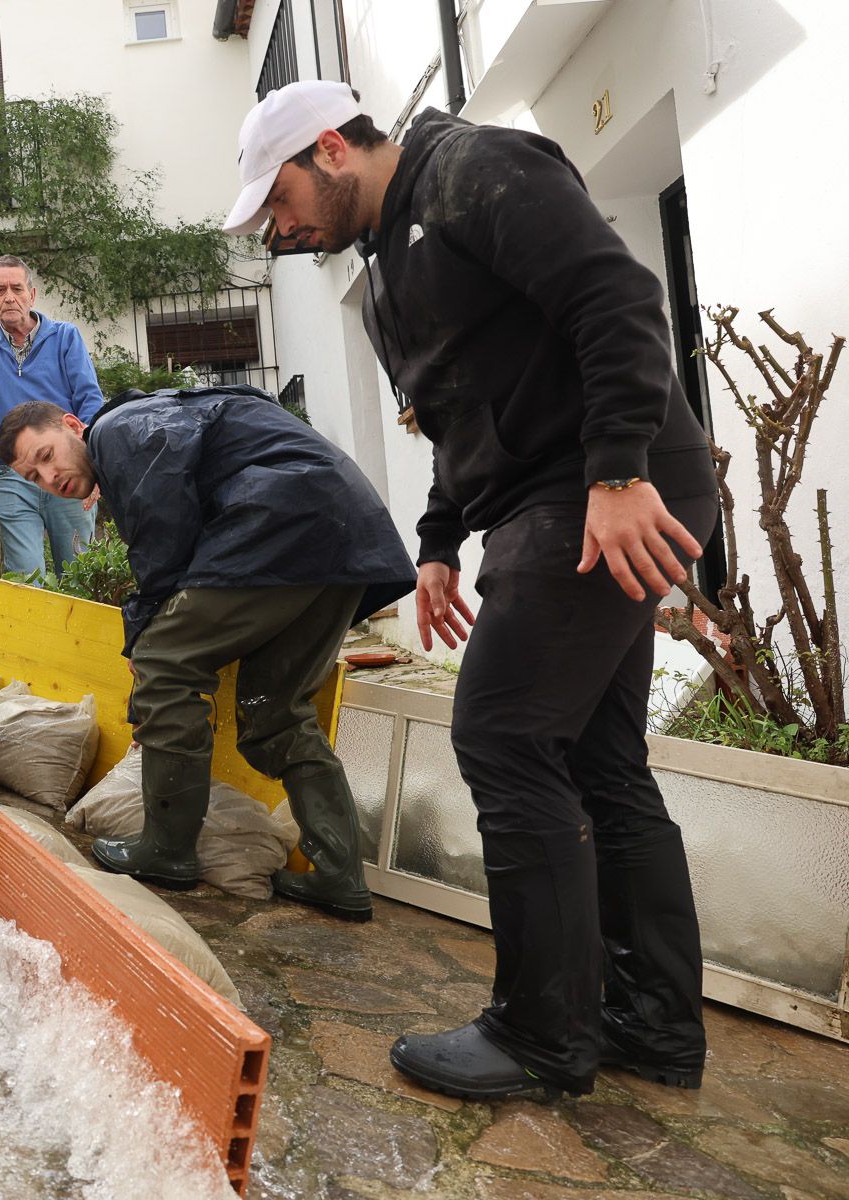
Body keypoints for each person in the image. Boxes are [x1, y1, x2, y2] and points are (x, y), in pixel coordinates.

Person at [224, 80, 720, 1102]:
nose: (278, 229)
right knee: (599, 760)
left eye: (278, 198)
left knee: (503, 735)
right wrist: (439, 541)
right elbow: (455, 414)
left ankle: (542, 1036)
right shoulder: (386, 271)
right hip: (560, 496)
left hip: (600, 489)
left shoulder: (473, 170)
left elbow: (616, 299)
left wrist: (616, 472)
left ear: (330, 149)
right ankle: (652, 1025)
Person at [0, 393, 415, 919]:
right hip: (339, 532)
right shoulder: (146, 424)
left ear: (73, 425)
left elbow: (163, 530)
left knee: (163, 662)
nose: (48, 476)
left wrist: (145, 639)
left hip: (282, 523)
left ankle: (167, 849)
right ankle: (339, 874)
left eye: (46, 455)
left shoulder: (119, 429)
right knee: (275, 709)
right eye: (32, 477)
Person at [0, 256, 105, 580]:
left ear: (31, 295)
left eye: (16, 289)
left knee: (81, 573)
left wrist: (94, 464)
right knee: (25, 579)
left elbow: (90, 401)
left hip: (66, 465)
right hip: (11, 475)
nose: (9, 297)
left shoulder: (65, 337)